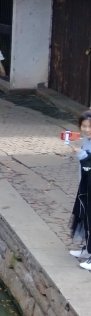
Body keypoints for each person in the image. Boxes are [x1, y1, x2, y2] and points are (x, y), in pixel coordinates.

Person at [68, 111, 91, 269]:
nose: (87, 129)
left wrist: (83, 154)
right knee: (85, 217)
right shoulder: (86, 140)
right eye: (84, 126)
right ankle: (87, 249)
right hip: (86, 184)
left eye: (90, 126)